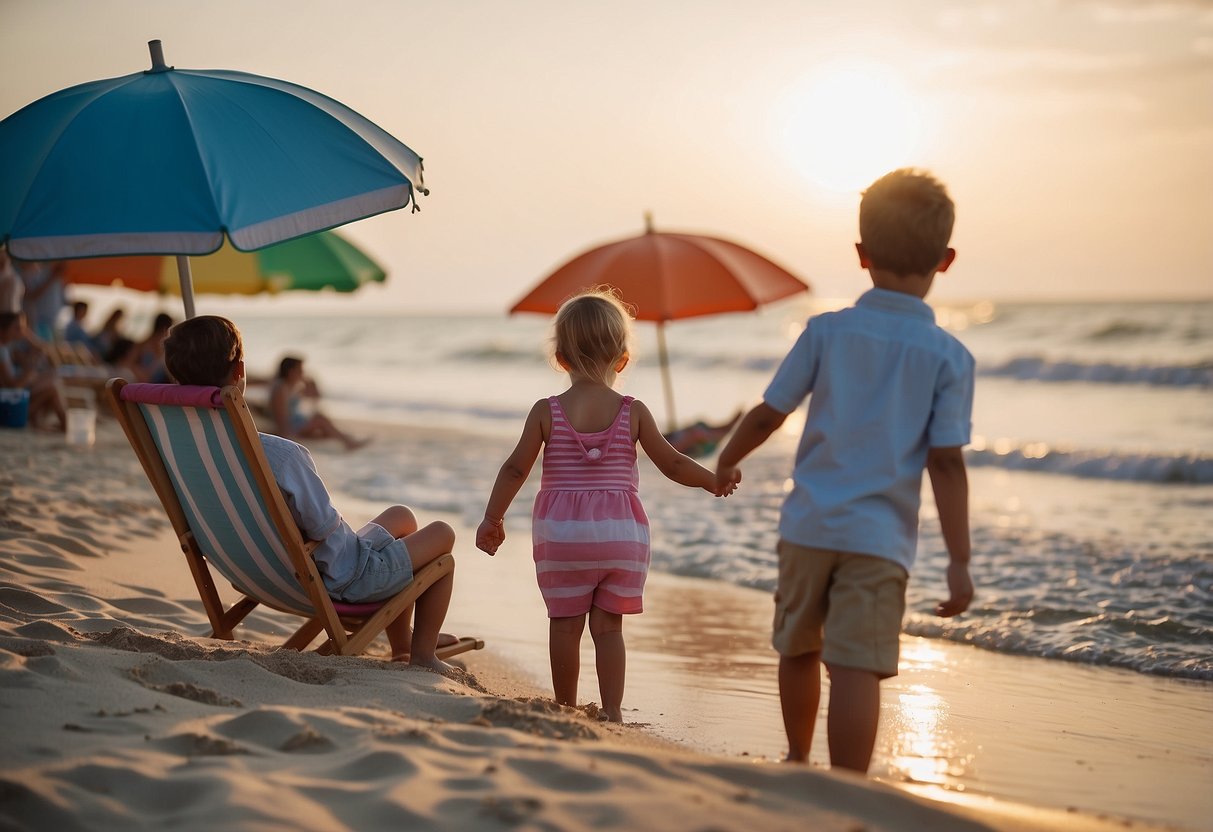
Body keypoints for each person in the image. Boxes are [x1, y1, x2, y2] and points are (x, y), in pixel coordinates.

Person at [713, 168, 975, 773]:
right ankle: (849, 784)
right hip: (880, 541)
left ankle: (798, 757)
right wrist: (959, 559)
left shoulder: (827, 331)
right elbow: (947, 464)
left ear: (861, 254)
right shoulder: (949, 357)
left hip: (807, 526)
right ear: (947, 259)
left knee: (798, 646)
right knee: (857, 664)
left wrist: (727, 457)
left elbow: (770, 413)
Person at [476, 288, 740, 722]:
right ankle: (613, 711)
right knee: (608, 627)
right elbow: (672, 463)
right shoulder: (632, 411)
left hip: (563, 537)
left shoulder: (547, 410)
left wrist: (493, 517)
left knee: (565, 624)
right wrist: (712, 481)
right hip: (621, 536)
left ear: (560, 358)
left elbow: (514, 470)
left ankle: (565, 707)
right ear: (622, 358)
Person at [162, 315, 460, 672]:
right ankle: (423, 655)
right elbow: (320, 527)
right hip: (341, 578)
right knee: (443, 536)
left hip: (260, 572)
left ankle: (402, 645)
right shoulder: (280, 455)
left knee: (402, 516)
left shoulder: (182, 451)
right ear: (240, 370)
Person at [268, 355, 368, 451]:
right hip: (291, 426)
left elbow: (316, 396)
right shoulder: (281, 388)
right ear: (291, 371)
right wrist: (288, 434)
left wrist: (311, 382)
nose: (303, 373)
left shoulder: (292, 386)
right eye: (300, 370)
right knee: (320, 419)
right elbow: (280, 416)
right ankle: (349, 443)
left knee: (326, 430)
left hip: (297, 422)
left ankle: (348, 439)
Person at [0, 311, 66, 431]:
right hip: (9, 404)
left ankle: (51, 422)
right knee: (52, 387)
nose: (21, 332)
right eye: (17, 328)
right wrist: (30, 372)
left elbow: (42, 348)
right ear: (3, 329)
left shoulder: (8, 347)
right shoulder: (2, 351)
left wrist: (30, 366)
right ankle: (63, 424)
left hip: (14, 396)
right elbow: (12, 387)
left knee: (52, 379)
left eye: (23, 328)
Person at [133, 312, 174, 383]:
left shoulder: (143, 343)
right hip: (156, 383)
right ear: (166, 328)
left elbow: (131, 363)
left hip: (145, 382)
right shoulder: (165, 346)